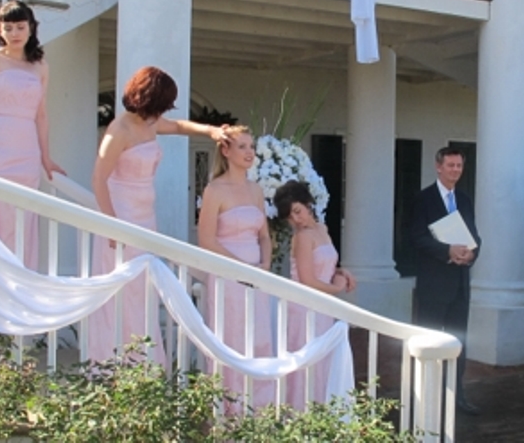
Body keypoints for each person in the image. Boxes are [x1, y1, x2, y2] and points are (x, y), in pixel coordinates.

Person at [88, 66, 230, 363]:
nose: (162, 112)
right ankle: (114, 361)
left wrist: (210, 130)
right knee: (123, 292)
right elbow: (99, 179)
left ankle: (143, 360)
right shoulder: (120, 129)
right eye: (161, 105)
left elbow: (178, 127)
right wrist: (112, 224)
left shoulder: (151, 123)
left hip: (145, 216)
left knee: (143, 290)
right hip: (121, 215)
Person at [0, 0, 65, 272]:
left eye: (20, 27)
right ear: (0, 29)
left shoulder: (40, 66)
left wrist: (46, 157)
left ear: (31, 28)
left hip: (26, 150)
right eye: (8, 27)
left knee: (22, 218)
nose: (14, 33)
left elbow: (41, 115)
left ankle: (18, 281)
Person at [197, 125, 274, 411]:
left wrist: (264, 264)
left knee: (259, 339)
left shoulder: (255, 190)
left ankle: (259, 409)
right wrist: (242, 268)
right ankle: (230, 411)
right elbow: (206, 239)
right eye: (242, 146)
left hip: (257, 275)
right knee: (232, 338)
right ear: (226, 151)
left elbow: (264, 235)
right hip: (228, 276)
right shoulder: (214, 189)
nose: (249, 152)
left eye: (251, 146)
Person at [408, 147, 482, 416]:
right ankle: (423, 398)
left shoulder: (464, 199)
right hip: (433, 284)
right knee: (428, 342)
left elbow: (474, 234)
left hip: (460, 284)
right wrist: (447, 252)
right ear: (438, 167)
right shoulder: (423, 199)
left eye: (459, 166)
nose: (455, 171)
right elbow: (416, 237)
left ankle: (455, 397)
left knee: (458, 343)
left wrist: (472, 252)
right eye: (450, 165)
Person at [273, 180, 356, 411]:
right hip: (305, 307)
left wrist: (342, 271)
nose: (296, 220)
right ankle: (302, 415)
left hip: (323, 305)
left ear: (308, 204)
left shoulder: (322, 229)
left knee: (323, 363)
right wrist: (337, 289)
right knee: (308, 364)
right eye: (290, 216)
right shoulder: (302, 237)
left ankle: (322, 412)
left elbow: (326, 266)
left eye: (298, 211)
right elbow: (308, 280)